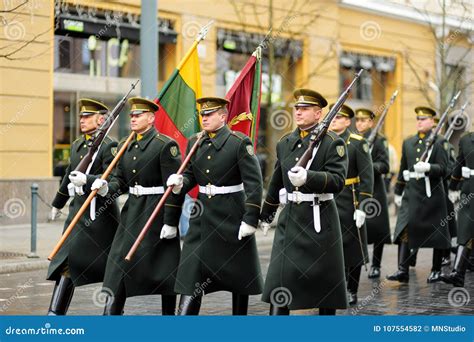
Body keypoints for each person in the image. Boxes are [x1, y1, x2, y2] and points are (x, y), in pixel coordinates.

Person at [167, 97, 263, 315]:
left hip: (232, 216)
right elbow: (191, 175)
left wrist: (250, 218)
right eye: (202, 114)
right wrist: (181, 183)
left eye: (209, 114)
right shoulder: (195, 142)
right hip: (202, 216)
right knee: (191, 271)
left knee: (239, 275)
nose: (204, 118)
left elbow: (254, 183)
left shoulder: (239, 142)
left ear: (223, 116)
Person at [260, 89, 348, 315]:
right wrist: (265, 214)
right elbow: (276, 181)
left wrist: (310, 178)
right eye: (297, 108)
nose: (298, 112)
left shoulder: (332, 143)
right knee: (281, 278)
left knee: (324, 284)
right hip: (290, 220)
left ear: (318, 114)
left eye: (305, 109)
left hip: (320, 219)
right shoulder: (285, 142)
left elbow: (338, 181)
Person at [96, 97, 183, 315]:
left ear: (151, 118)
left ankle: (168, 315)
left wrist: (171, 222)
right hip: (132, 211)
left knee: (164, 268)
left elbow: (172, 188)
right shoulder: (127, 144)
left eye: (138, 115)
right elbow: (121, 182)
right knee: (118, 261)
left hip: (155, 212)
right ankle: (111, 313)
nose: (133, 118)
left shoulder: (164, 145)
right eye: (132, 115)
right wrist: (106, 187)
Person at [47, 99, 119, 315]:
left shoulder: (109, 146)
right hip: (77, 213)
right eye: (81, 117)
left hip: (99, 217)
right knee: (66, 259)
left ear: (101, 119)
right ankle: (55, 312)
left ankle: (112, 310)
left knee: (111, 268)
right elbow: (70, 173)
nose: (82, 120)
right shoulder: (78, 144)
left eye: (87, 117)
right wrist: (57, 203)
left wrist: (89, 181)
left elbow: (115, 180)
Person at [388, 106, 450, 283]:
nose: (419, 122)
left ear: (432, 121)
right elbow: (402, 168)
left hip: (432, 195)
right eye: (418, 119)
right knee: (405, 229)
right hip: (412, 193)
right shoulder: (408, 142)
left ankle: (436, 269)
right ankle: (403, 270)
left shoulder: (440, 142)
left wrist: (430, 168)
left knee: (437, 233)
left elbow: (447, 169)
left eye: (423, 119)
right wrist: (398, 190)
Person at [329, 104, 374, 306]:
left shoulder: (357, 143)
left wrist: (363, 206)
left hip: (350, 199)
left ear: (348, 121)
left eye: (339, 117)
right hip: (328, 199)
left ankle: (351, 289)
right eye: (332, 117)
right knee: (328, 246)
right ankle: (332, 287)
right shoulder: (325, 141)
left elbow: (367, 177)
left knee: (352, 246)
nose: (334, 120)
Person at [355, 108, 391, 279]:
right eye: (358, 120)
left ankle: (376, 264)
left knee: (378, 229)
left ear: (371, 122)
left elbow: (385, 165)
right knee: (357, 228)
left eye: (363, 120)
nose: (359, 123)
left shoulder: (379, 140)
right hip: (357, 189)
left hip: (375, 189)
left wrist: (368, 166)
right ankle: (357, 262)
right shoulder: (354, 140)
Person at [441, 131, 474, 287]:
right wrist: (453, 187)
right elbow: (459, 163)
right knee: (465, 229)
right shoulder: (466, 139)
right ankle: (458, 273)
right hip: (469, 189)